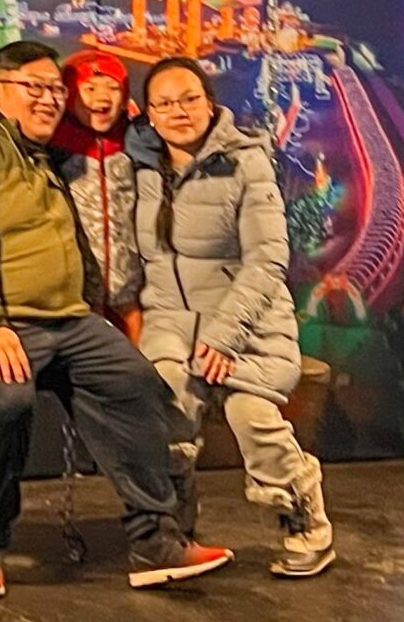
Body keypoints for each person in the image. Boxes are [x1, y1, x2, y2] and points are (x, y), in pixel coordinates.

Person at [0, 37, 231, 598]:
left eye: (55, 89)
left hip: (63, 320)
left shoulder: (39, 153)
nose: (48, 100)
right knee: (6, 403)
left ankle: (154, 539)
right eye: (31, 88)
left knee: (133, 380)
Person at [129, 57, 333, 578]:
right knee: (167, 408)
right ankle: (173, 530)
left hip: (250, 319)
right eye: (165, 103)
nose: (179, 111)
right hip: (172, 319)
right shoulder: (139, 165)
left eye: (189, 98)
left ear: (210, 101)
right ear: (148, 113)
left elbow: (267, 260)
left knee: (251, 415)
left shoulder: (246, 161)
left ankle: (306, 523)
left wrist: (223, 337)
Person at [52, 48, 141, 338]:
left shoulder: (138, 142)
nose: (102, 97)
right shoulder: (52, 145)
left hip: (130, 290)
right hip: (73, 290)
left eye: (113, 88)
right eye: (89, 88)